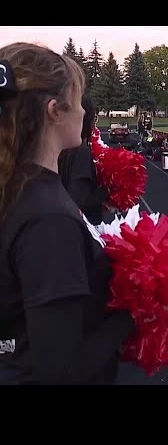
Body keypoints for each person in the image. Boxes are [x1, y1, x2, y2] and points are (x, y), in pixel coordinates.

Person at [0, 42, 135, 384]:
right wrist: (137, 308)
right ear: (54, 111)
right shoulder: (47, 216)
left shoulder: (17, 186)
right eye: (78, 101)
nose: (83, 112)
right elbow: (60, 370)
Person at [57, 94, 109, 225]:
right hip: (82, 228)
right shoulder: (80, 152)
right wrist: (106, 192)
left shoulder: (60, 147)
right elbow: (77, 200)